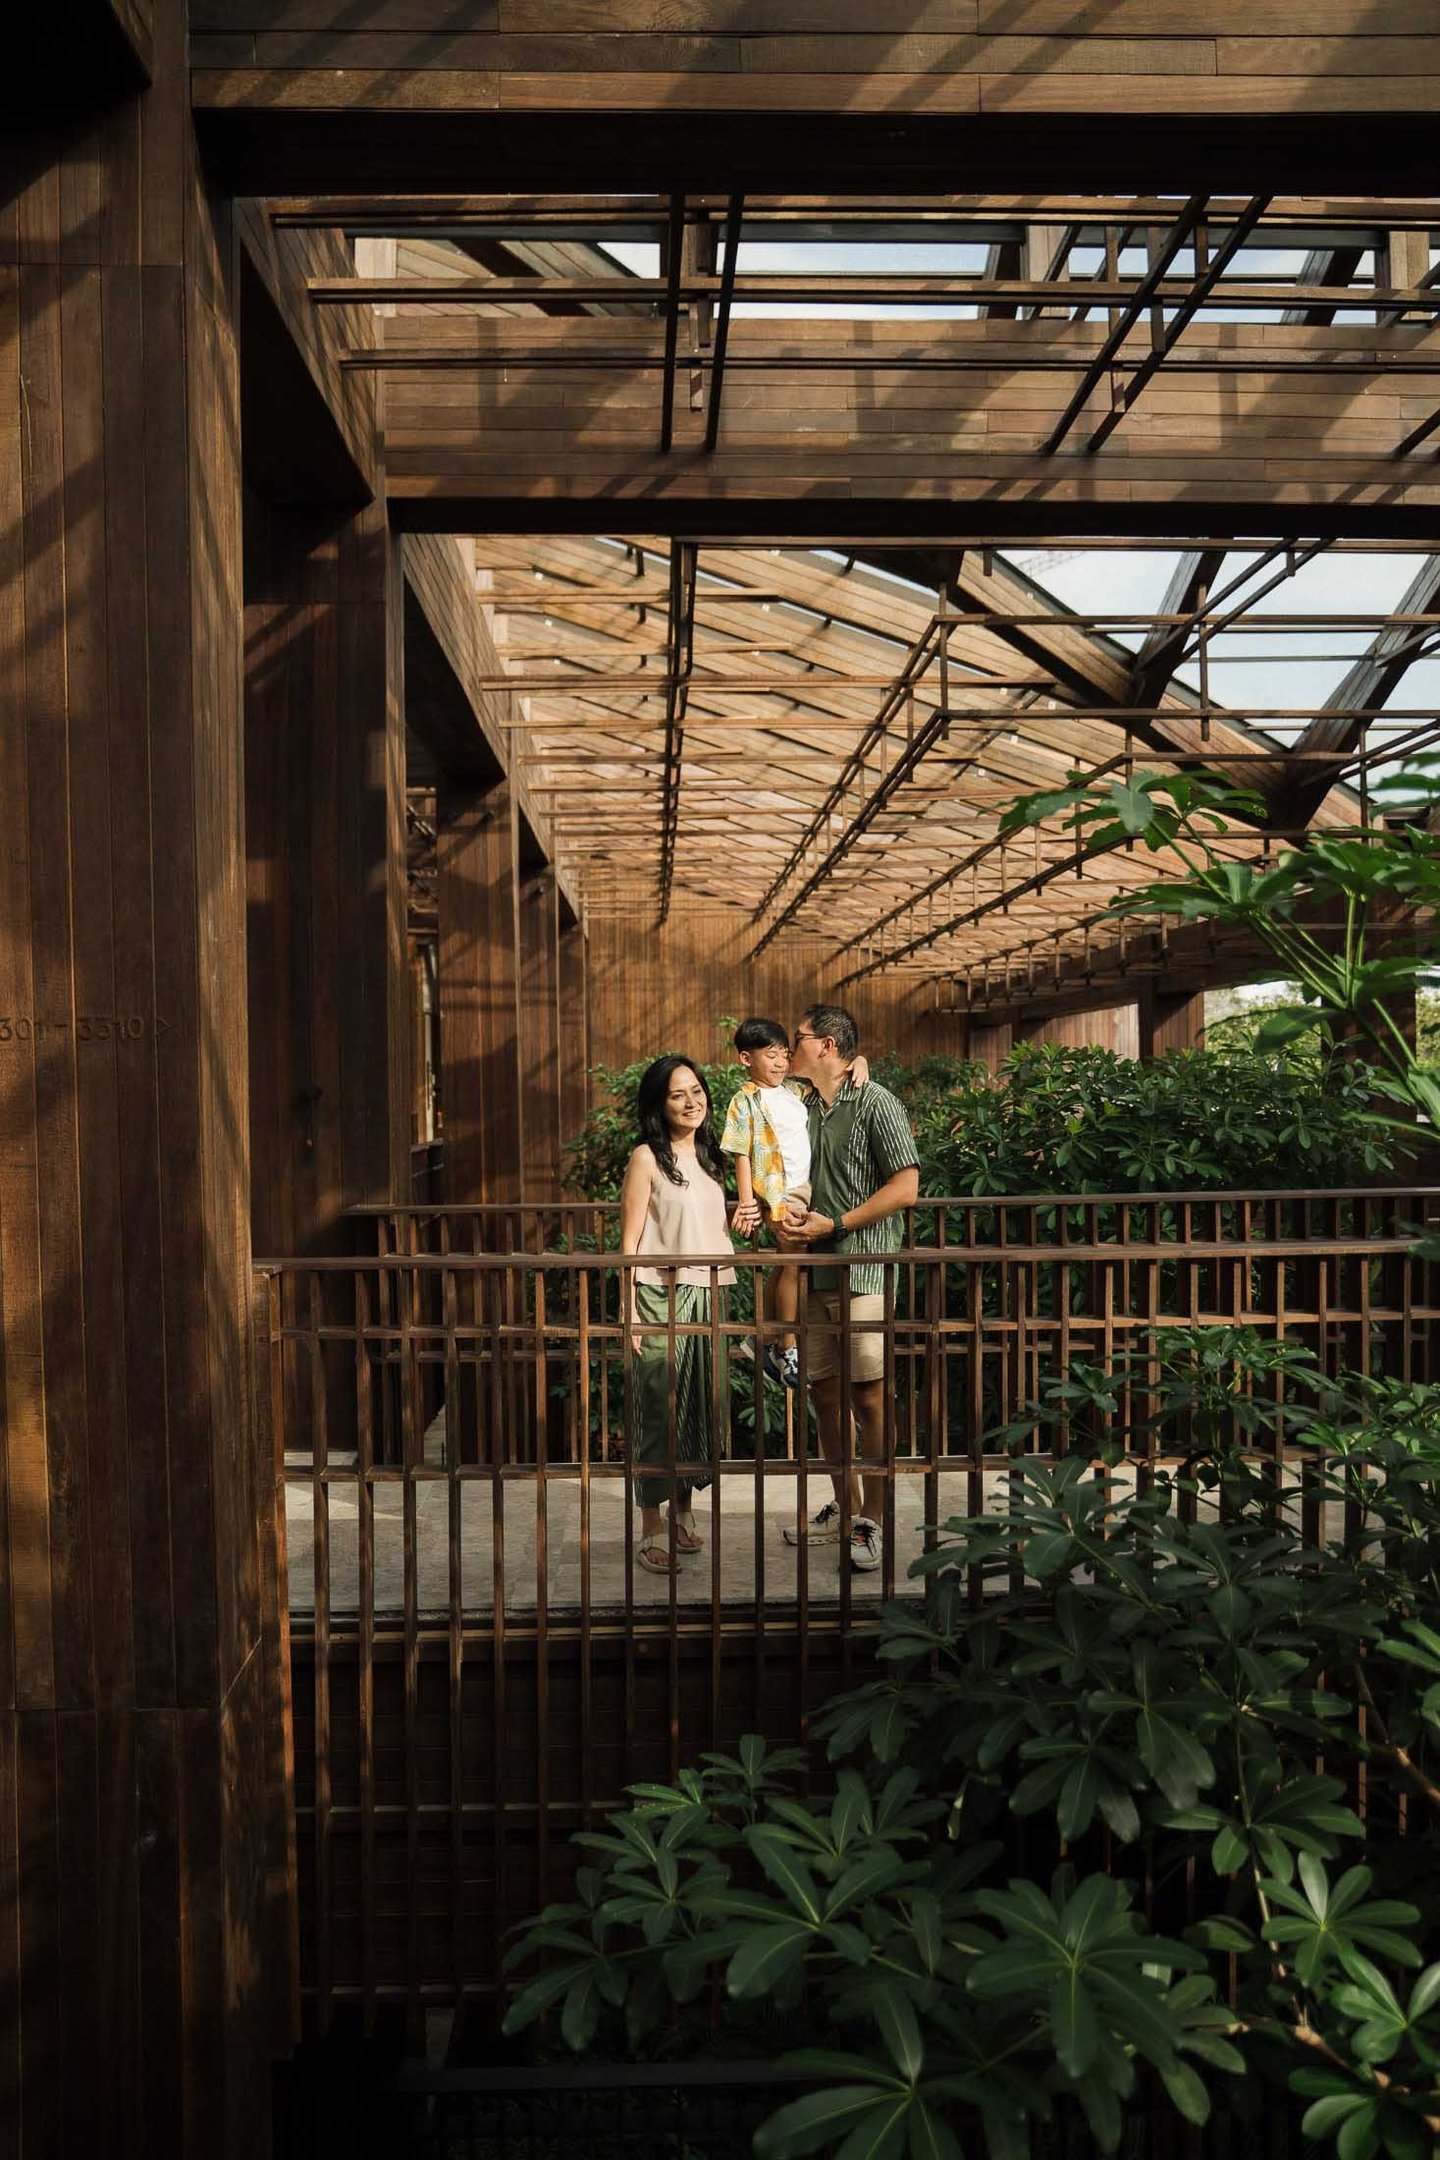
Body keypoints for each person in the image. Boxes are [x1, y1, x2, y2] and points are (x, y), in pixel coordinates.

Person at [777, 1004, 920, 1573]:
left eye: (799, 1039)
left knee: (869, 1397)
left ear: (829, 1046)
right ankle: (847, 1504)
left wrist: (836, 1225)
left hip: (864, 1272)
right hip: (813, 1275)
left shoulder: (876, 1101)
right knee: (825, 1399)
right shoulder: (798, 1105)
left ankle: (874, 1522)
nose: (791, 1049)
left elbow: (906, 1186)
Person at [619, 1055, 737, 1576]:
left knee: (697, 1408)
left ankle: (685, 1511)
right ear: (658, 1105)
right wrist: (630, 1312)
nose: (691, 1102)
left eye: (696, 1091)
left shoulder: (714, 1157)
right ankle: (650, 1527)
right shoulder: (646, 1157)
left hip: (708, 1294)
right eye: (676, 1095)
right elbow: (629, 1243)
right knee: (658, 1408)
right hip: (660, 1295)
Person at [722, 1015, 869, 1389]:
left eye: (784, 1055)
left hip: (804, 1189)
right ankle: (786, 1346)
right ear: (745, 1059)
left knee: (786, 1263)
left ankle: (767, 1338)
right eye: (770, 1056)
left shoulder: (793, 1091)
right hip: (776, 1191)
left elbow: (831, 1077)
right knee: (793, 1263)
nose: (780, 1063)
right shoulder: (745, 1101)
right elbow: (740, 1152)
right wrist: (745, 1201)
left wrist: (859, 1061)